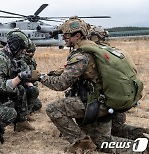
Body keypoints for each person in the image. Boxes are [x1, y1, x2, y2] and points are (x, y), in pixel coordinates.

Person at [30, 16, 143, 153]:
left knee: (53, 108)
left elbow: (61, 84)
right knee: (103, 141)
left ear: (77, 36)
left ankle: (81, 142)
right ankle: (142, 142)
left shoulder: (81, 56)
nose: (63, 37)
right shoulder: (94, 49)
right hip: (106, 100)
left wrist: (40, 77)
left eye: (66, 35)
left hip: (97, 103)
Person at [0, 29, 35, 131]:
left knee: (22, 89)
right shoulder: (1, 59)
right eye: (22, 48)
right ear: (15, 46)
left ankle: (21, 122)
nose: (24, 52)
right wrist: (15, 81)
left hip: (5, 90)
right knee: (18, 90)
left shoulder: (11, 58)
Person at [22, 41, 42, 115]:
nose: (31, 54)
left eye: (32, 51)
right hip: (20, 87)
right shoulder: (19, 61)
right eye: (28, 51)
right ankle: (24, 115)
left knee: (38, 105)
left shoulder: (32, 61)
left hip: (29, 87)